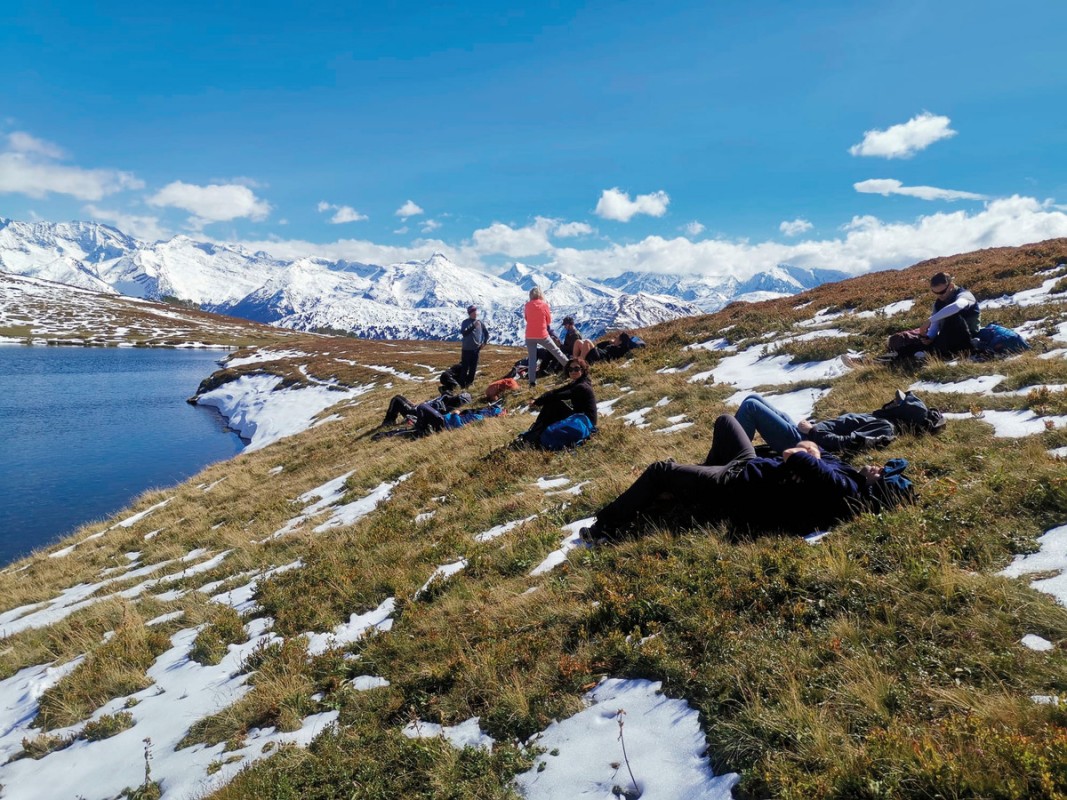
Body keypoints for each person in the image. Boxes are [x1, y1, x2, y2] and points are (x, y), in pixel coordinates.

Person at [580, 414, 912, 541]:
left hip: (737, 486)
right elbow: (810, 448)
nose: (877, 468)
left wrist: (807, 454)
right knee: (726, 421)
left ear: (875, 490)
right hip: (746, 467)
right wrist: (811, 452)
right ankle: (688, 489)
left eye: (881, 475)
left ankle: (604, 528)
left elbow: (795, 454)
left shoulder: (844, 488)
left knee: (659, 470)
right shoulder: (850, 476)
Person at [735, 392, 896, 455]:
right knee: (753, 398)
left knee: (751, 407)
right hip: (808, 436)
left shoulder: (884, 426)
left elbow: (847, 443)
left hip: (809, 446)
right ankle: (730, 451)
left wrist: (813, 431)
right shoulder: (878, 418)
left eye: (899, 403)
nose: (894, 401)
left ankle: (731, 457)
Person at [883, 272, 980, 360]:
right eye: (935, 293)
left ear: (951, 285)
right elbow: (935, 325)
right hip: (947, 337)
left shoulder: (965, 295)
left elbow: (957, 306)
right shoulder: (938, 304)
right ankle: (902, 355)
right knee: (917, 344)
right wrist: (929, 337)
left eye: (942, 292)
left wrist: (930, 320)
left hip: (968, 336)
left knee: (953, 316)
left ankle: (934, 353)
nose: (939, 296)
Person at [515, 357, 597, 446]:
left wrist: (538, 402)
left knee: (553, 405)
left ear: (583, 369)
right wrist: (538, 400)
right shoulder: (579, 382)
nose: (573, 371)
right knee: (553, 404)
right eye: (570, 369)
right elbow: (555, 391)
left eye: (576, 369)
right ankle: (534, 434)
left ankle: (532, 436)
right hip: (580, 417)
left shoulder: (581, 386)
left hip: (585, 422)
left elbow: (557, 395)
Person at [524, 287, 568, 388]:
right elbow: (548, 321)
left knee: (532, 358)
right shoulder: (544, 305)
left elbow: (526, 318)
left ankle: (532, 382)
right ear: (541, 295)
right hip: (542, 334)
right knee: (556, 351)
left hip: (529, 335)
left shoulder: (527, 305)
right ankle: (569, 367)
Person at [458, 305, 489, 388]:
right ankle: (462, 384)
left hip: (476, 349)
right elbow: (464, 333)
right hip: (466, 349)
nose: (474, 313)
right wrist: (473, 326)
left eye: (475, 311)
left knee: (473, 368)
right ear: (469, 313)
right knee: (465, 368)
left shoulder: (480, 323)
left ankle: (469, 383)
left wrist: (484, 343)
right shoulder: (465, 322)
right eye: (472, 312)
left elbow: (486, 334)